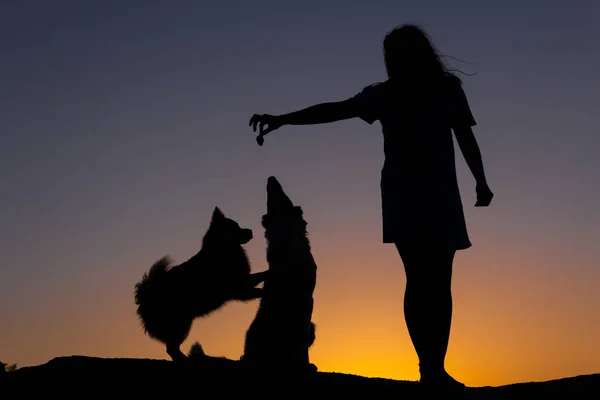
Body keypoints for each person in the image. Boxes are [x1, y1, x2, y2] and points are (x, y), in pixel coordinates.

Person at [248, 24, 493, 388]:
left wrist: (481, 180)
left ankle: (434, 370)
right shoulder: (386, 95)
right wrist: (285, 119)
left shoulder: (447, 90)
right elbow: (336, 110)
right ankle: (431, 371)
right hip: (405, 196)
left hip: (439, 195)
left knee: (436, 282)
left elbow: (464, 134)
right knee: (424, 280)